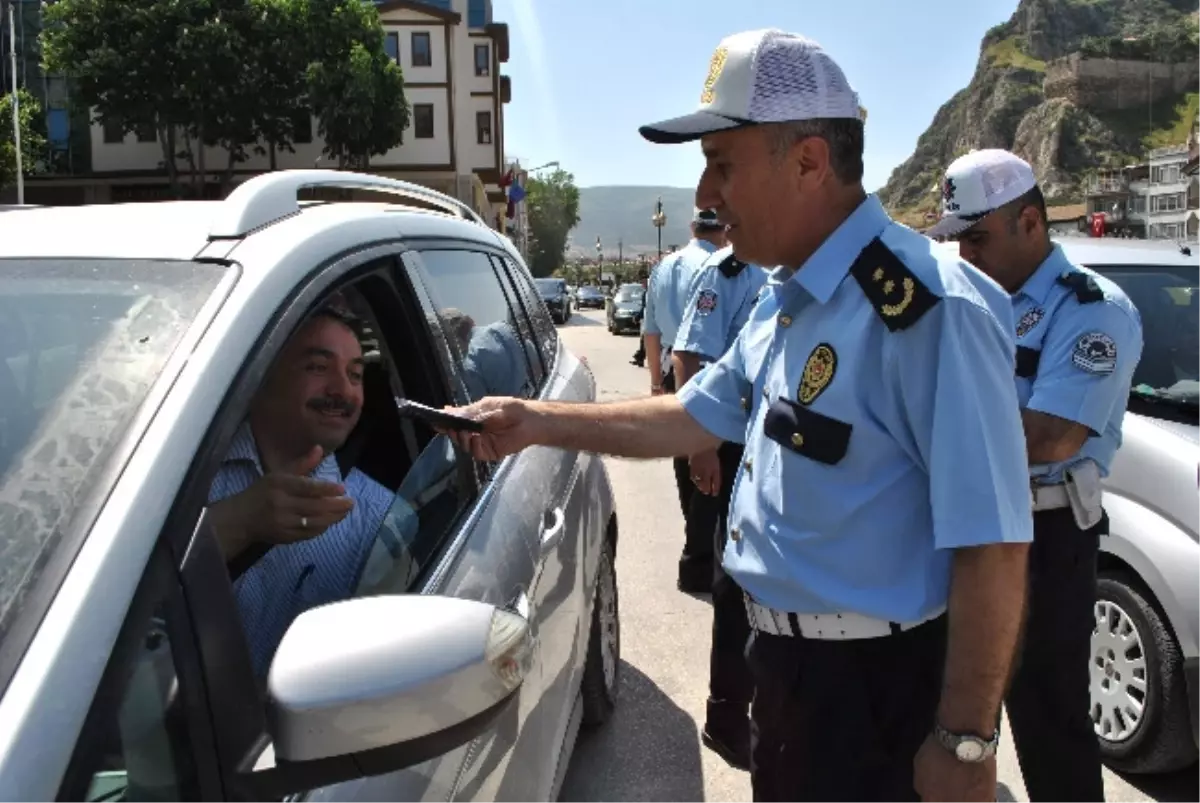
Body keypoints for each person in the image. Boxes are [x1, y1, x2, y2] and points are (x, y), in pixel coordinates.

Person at [444, 29, 1034, 803]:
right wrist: (533, 421)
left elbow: (992, 544)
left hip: (876, 697)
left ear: (809, 162)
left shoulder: (929, 312)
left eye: (722, 164)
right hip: (784, 675)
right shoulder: (785, 299)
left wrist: (965, 740)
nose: (703, 197)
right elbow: (690, 415)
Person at [930, 149, 1144, 803]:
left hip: (1043, 539)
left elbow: (1050, 433)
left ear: (1030, 222)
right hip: (967, 525)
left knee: (1049, 723)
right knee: (955, 723)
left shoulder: (1091, 308)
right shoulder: (969, 301)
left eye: (977, 236)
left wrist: (920, 445)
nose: (965, 254)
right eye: (956, 240)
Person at [206, 306, 405, 677]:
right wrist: (234, 525)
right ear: (261, 375)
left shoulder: (380, 520)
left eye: (356, 374)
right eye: (317, 367)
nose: (343, 390)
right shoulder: (181, 472)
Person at [671, 245, 768, 770]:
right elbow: (689, 355)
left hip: (782, 444)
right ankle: (727, 716)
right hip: (733, 440)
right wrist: (700, 444)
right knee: (733, 582)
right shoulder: (731, 268)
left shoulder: (794, 265)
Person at [642, 207, 729, 591]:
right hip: (711, 378)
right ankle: (701, 558)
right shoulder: (722, 266)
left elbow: (651, 332)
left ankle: (696, 548)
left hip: (671, 374)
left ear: (692, 226)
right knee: (714, 477)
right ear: (723, 229)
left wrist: (656, 385)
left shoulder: (664, 267)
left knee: (685, 470)